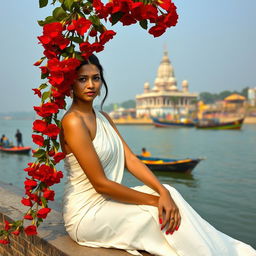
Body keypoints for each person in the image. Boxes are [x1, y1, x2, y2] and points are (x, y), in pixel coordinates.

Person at [59, 54, 255, 256]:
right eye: (83, 79)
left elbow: (132, 160)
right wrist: (156, 201)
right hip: (87, 214)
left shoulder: (104, 118)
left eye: (96, 78)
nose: (91, 85)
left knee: (170, 193)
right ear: (70, 84)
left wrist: (163, 192)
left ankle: (220, 251)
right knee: (157, 211)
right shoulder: (73, 122)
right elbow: (101, 184)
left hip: (107, 204)